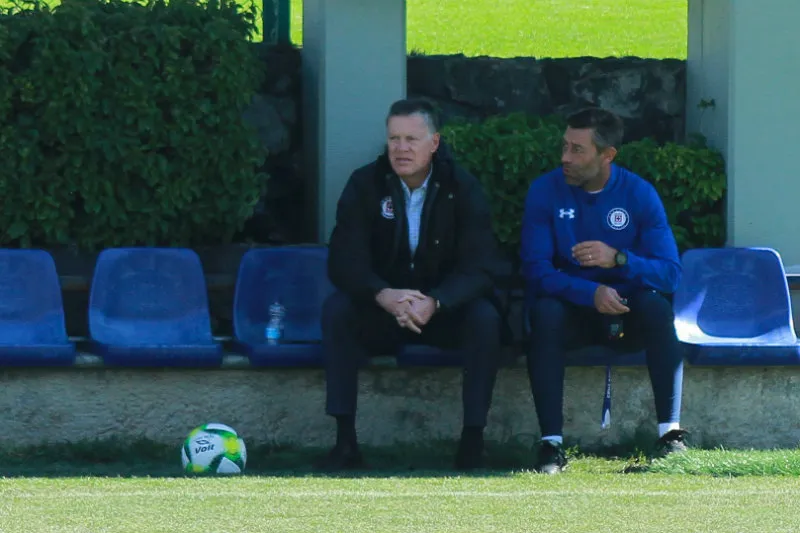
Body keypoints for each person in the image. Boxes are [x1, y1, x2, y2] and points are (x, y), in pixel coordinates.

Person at [319, 98, 504, 471]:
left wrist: (437, 301)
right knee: (337, 311)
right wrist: (382, 294)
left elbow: (481, 265)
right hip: (384, 309)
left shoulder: (462, 187)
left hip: (442, 311)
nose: (401, 149)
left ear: (434, 143)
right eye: (394, 139)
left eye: (411, 139)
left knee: (485, 318)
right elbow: (344, 259)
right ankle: (345, 442)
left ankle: (473, 440)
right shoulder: (365, 184)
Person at [521, 107, 687, 474]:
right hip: (573, 311)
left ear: (607, 155)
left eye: (577, 149)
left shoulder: (639, 194)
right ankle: (551, 445)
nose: (565, 157)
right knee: (545, 311)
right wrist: (589, 293)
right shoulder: (545, 191)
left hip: (627, 312)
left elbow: (670, 275)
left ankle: (670, 436)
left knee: (657, 308)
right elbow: (535, 270)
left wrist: (620, 260)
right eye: (564, 146)